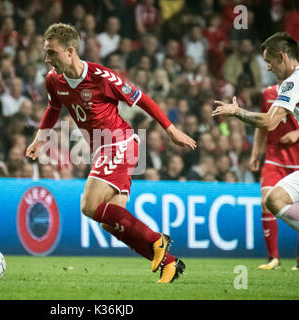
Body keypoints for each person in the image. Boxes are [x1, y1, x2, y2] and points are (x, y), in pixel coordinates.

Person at [26, 23, 196, 283]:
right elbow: (53, 108)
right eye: (46, 52)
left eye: (52, 53)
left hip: (118, 142)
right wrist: (40, 139)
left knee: (88, 205)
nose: (47, 58)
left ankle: (158, 241)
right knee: (108, 220)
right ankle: (169, 264)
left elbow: (142, 99)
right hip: (102, 148)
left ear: (71, 51)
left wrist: (170, 130)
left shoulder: (101, 77)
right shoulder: (53, 80)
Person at [212, 32, 299, 281]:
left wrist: (237, 112)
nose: (267, 67)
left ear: (282, 56)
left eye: (269, 61)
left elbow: (269, 122)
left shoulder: (294, 83)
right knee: (275, 199)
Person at [252, 83, 299, 271]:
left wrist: (297, 133)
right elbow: (262, 124)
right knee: (265, 202)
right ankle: (273, 259)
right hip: (274, 158)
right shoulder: (268, 93)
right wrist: (255, 152)